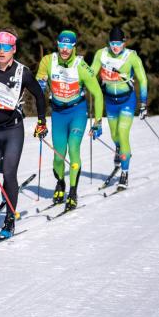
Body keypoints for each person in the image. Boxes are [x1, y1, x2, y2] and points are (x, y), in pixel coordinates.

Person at [0, 29, 47, 238]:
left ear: (13, 49)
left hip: (14, 128)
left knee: (9, 172)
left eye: (6, 47)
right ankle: (8, 190)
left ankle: (9, 220)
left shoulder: (23, 72)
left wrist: (41, 122)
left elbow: (40, 97)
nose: (1, 51)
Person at [35, 30, 103, 210]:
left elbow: (97, 93)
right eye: (62, 45)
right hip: (58, 113)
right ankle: (60, 183)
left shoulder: (82, 66)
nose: (65, 50)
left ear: (74, 46)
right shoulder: (48, 61)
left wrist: (97, 122)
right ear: (57, 44)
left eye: (69, 46)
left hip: (77, 112)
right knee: (58, 156)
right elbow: (38, 84)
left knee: (73, 148)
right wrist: (39, 84)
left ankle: (72, 192)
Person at [90, 27, 148, 191]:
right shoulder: (101, 54)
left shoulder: (132, 57)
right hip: (110, 101)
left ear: (124, 43)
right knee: (115, 136)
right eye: (112, 43)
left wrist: (143, 103)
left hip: (127, 102)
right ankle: (119, 149)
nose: (115, 47)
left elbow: (142, 80)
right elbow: (92, 73)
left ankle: (124, 173)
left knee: (123, 135)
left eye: (118, 44)